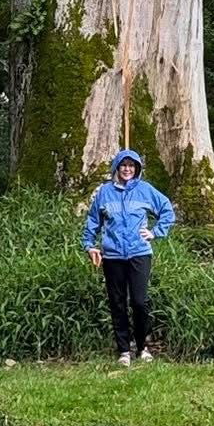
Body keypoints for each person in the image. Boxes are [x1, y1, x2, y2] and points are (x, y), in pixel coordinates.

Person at [82, 148, 176, 366]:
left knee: (139, 301)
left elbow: (167, 210)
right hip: (113, 255)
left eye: (131, 166)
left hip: (139, 253)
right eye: (123, 165)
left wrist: (155, 232)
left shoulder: (145, 190)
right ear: (116, 167)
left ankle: (142, 347)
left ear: (137, 169)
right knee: (117, 303)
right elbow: (93, 221)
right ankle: (124, 350)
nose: (127, 169)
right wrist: (89, 246)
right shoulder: (104, 192)